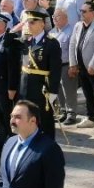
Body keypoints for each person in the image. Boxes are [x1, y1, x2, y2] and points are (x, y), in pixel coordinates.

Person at [19, 9, 63, 139]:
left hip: (42, 88)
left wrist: (53, 92)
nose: (29, 25)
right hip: (25, 87)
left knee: (43, 119)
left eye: (32, 22)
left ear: (42, 24)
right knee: (26, 117)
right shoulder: (26, 41)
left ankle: (48, 146)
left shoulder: (51, 43)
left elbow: (55, 69)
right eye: (27, 22)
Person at [68, 1, 94, 131]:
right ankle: (90, 117)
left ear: (92, 13)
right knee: (87, 93)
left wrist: (93, 65)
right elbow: (72, 44)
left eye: (84, 11)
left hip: (93, 67)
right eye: (81, 11)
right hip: (80, 66)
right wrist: (72, 64)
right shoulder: (78, 25)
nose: (81, 13)